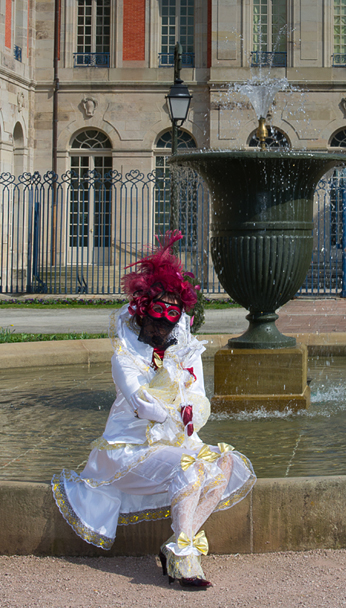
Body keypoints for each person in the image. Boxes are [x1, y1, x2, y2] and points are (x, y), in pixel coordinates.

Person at [52, 230, 256, 589]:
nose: (163, 322)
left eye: (171, 314)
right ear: (143, 311)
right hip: (130, 450)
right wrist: (174, 410)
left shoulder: (186, 352)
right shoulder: (125, 357)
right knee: (190, 468)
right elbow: (142, 404)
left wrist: (193, 412)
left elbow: (200, 399)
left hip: (175, 443)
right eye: (157, 312)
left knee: (224, 463)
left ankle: (179, 541)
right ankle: (184, 559)